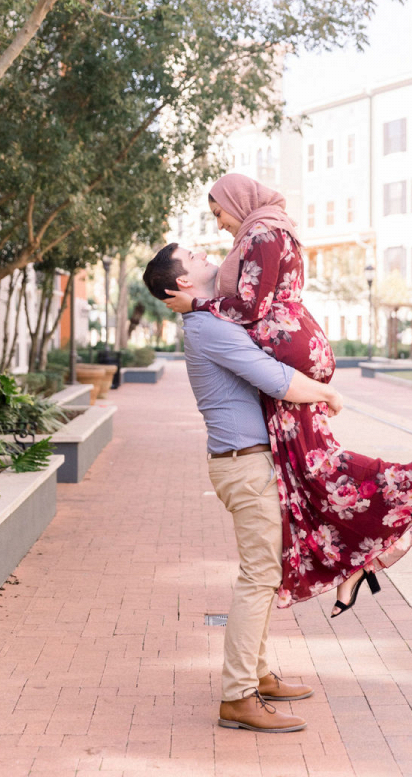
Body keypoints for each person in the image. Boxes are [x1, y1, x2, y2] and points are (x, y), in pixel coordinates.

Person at [163, 173, 412, 617]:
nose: (219, 225)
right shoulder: (268, 229)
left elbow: (248, 308)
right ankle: (354, 565)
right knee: (305, 474)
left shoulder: (261, 232)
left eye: (219, 212)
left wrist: (196, 305)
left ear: (237, 200)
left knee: (315, 468)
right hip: (295, 339)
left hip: (285, 345)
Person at [143, 243, 344, 733]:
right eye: (192, 255)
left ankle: (257, 674)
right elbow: (273, 378)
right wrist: (326, 393)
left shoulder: (209, 319)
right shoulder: (208, 327)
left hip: (247, 463)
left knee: (264, 574)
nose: (205, 251)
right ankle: (238, 697)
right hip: (244, 466)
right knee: (258, 577)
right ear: (182, 284)